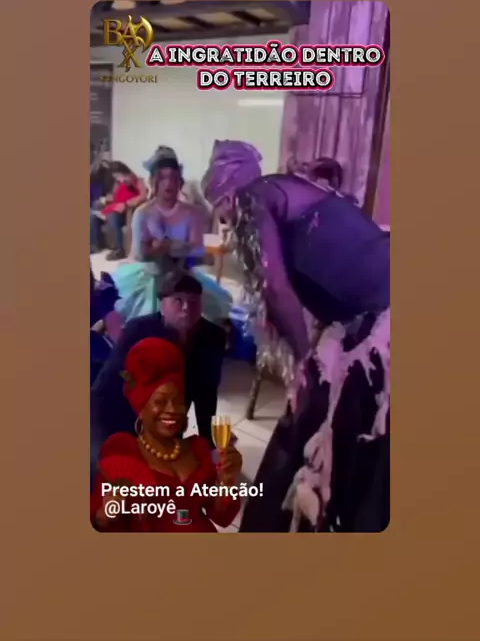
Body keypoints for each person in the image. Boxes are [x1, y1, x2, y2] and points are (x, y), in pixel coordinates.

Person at [201, 139, 390, 533]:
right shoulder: (289, 188)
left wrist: (303, 360)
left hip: (379, 328)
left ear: (228, 194)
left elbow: (275, 287)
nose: (224, 221)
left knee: (330, 434)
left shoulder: (253, 198)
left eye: (219, 207)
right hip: (368, 319)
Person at [91, 337, 242, 532]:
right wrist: (106, 513)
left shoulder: (197, 449)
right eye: (160, 401)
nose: (172, 410)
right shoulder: (123, 452)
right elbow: (100, 523)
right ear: (141, 408)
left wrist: (227, 481)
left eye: (178, 401)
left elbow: (220, 516)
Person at [90, 271, 228, 484]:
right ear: (162, 305)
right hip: (117, 409)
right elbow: (108, 386)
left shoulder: (213, 337)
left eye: (193, 301)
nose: (186, 308)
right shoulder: (138, 330)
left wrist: (208, 446)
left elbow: (207, 395)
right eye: (178, 300)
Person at [130, 148, 204, 271]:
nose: (168, 183)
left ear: (179, 181)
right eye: (162, 178)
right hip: (149, 275)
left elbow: (198, 252)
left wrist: (165, 246)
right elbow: (140, 255)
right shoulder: (142, 213)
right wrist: (181, 247)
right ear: (152, 181)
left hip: (183, 274)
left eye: (173, 177)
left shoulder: (193, 213)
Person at [90, 162, 147, 260]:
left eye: (120, 176)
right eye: (116, 178)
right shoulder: (120, 183)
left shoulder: (138, 181)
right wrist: (105, 200)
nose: (120, 180)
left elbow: (143, 197)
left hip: (126, 213)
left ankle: (120, 250)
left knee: (113, 215)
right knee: (93, 216)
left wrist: (126, 204)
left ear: (126, 172)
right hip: (116, 207)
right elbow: (114, 197)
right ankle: (94, 245)